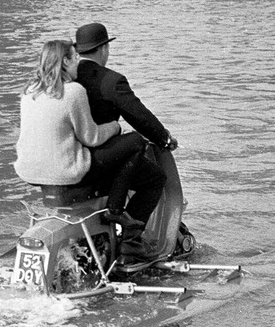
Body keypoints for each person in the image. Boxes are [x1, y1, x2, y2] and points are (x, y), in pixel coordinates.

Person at [14, 39, 166, 232]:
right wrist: (115, 127)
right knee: (135, 141)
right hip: (66, 172)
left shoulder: (29, 92)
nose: (79, 62)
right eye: (75, 57)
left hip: (29, 171)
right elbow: (91, 137)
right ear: (66, 62)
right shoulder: (73, 92)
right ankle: (117, 212)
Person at [71, 23, 184, 247]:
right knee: (155, 178)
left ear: (78, 51)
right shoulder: (111, 80)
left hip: (68, 160)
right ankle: (131, 242)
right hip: (98, 163)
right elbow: (138, 115)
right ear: (104, 49)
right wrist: (165, 139)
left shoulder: (65, 80)